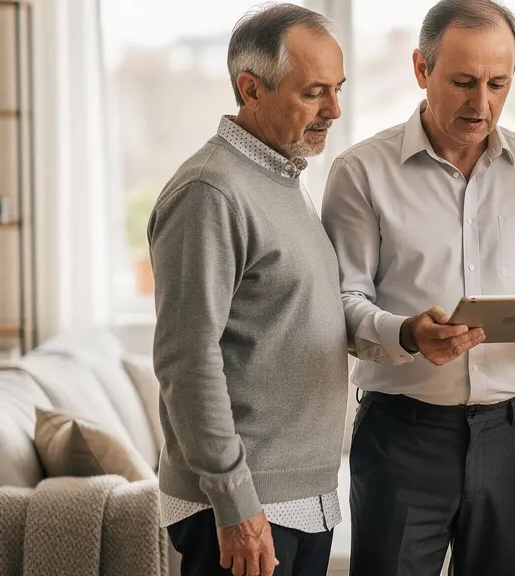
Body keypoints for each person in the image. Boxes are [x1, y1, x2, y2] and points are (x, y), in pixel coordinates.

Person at [320, 1, 515, 574]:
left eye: (499, 83)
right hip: (402, 435)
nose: (482, 103)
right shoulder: (361, 172)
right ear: (421, 69)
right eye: (463, 82)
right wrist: (408, 334)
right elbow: (339, 306)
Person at [148, 5, 348, 576]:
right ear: (250, 88)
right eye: (314, 93)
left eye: (337, 89)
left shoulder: (281, 178)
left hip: (299, 499)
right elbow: (187, 360)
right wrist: (235, 504)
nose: (334, 110)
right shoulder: (211, 191)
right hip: (244, 507)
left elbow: (297, 317)